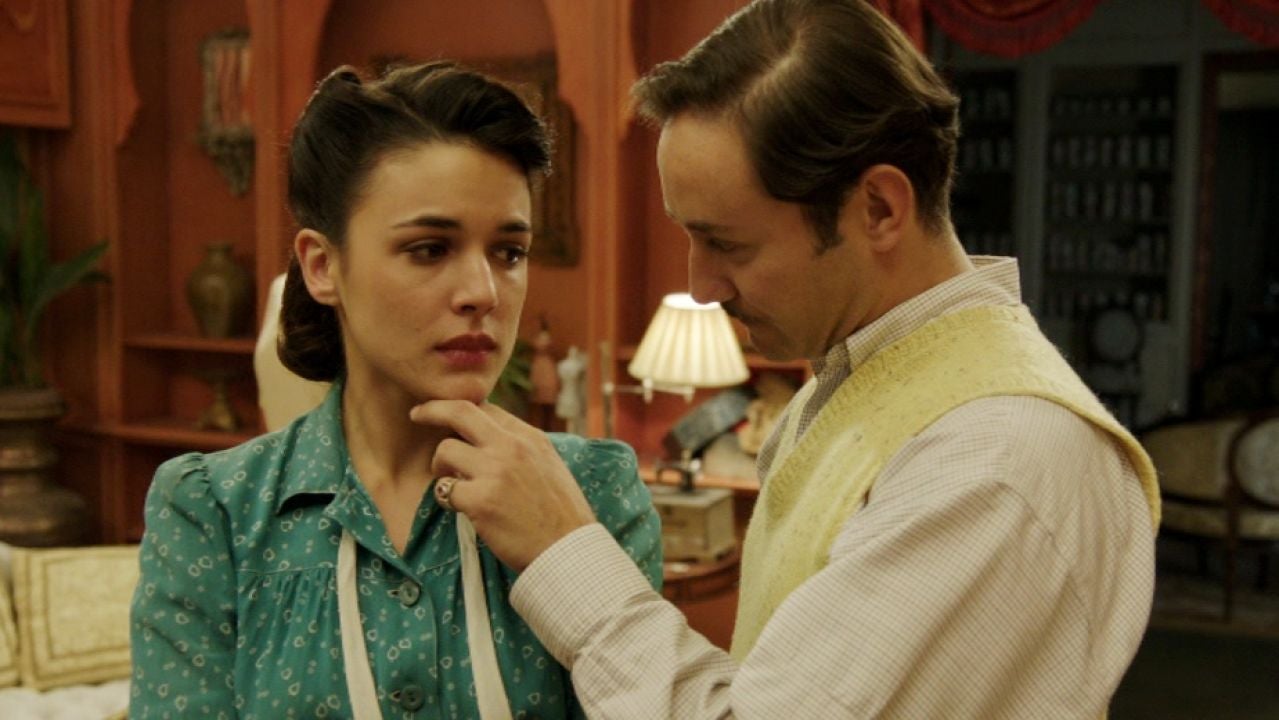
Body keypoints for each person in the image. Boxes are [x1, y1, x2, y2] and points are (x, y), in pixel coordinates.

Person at [409, 1, 1162, 717]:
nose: (701, 286)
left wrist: (561, 548)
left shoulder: (993, 459)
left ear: (878, 208)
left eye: (728, 243)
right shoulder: (853, 384)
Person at [129, 61, 662, 719]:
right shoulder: (216, 513)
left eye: (509, 253)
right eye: (430, 249)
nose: (483, 293)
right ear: (323, 266)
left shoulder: (593, 492)